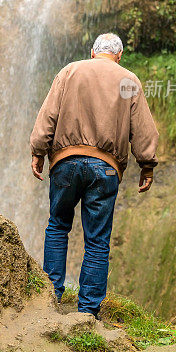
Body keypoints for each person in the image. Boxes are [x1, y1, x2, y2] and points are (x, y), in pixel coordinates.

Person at [30, 32, 159, 318]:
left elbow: (48, 115)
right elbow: (143, 128)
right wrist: (146, 164)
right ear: (119, 56)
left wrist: (38, 150)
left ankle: (50, 296)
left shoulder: (70, 71)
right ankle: (87, 312)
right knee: (97, 240)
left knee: (58, 225)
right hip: (105, 167)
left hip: (65, 161)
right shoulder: (128, 80)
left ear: (92, 52)